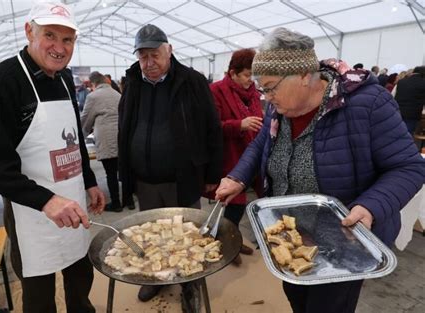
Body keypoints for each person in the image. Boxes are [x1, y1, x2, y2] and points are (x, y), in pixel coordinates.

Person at [215, 27, 425, 313]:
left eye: (271, 87)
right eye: (262, 88)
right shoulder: (279, 107)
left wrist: (371, 207)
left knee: (328, 306)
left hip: (343, 240)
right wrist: (238, 176)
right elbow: (262, 141)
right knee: (296, 296)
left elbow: (408, 167)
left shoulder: (367, 103)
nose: (266, 97)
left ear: (303, 76)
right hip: (290, 231)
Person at [0, 2, 105, 313]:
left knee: (80, 279)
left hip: (73, 200)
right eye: (50, 35)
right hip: (30, 212)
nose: (59, 48)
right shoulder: (4, 79)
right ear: (29, 32)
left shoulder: (63, 77)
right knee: (38, 297)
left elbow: (73, 136)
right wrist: (47, 201)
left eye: (68, 40)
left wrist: (89, 182)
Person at [118, 24, 222, 305]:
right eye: (143, 57)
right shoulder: (133, 82)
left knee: (186, 237)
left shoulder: (192, 81)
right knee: (151, 236)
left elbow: (212, 126)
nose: (149, 64)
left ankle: (190, 285)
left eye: (155, 55)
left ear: (169, 51)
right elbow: (125, 127)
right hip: (145, 180)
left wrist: (213, 173)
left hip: (182, 178)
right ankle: (157, 277)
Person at [206, 48, 263, 265]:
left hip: (252, 153)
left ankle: (234, 240)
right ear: (232, 73)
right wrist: (240, 124)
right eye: (247, 75)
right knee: (234, 203)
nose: (251, 80)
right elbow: (211, 127)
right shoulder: (216, 91)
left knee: (247, 202)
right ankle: (228, 244)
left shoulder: (253, 93)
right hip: (230, 155)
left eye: (253, 75)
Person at [81, 71, 134, 212]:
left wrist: (81, 136)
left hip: (106, 139)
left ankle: (115, 203)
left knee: (110, 173)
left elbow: (86, 119)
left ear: (93, 84)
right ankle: (129, 201)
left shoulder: (93, 96)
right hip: (121, 138)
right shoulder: (117, 94)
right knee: (124, 171)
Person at [395, 66, 425, 134]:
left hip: (398, 111)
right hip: (412, 113)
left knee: (396, 133)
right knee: (407, 134)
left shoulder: (401, 82)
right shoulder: (423, 83)